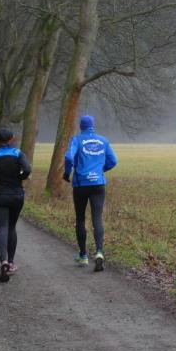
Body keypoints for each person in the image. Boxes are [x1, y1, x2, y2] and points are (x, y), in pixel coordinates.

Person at [63, 115, 117, 272]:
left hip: (81, 184)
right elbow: (113, 161)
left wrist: (67, 173)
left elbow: (68, 157)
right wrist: (101, 170)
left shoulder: (77, 140)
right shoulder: (104, 141)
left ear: (81, 126)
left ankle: (83, 255)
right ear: (93, 126)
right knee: (97, 218)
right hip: (98, 184)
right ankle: (99, 252)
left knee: (80, 218)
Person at [0, 128, 31, 283]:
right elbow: (27, 169)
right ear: (11, 140)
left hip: (0, 196)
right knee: (11, 227)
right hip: (17, 195)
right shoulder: (18, 153)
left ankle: (3, 261)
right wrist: (19, 176)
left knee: (2, 228)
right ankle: (11, 263)